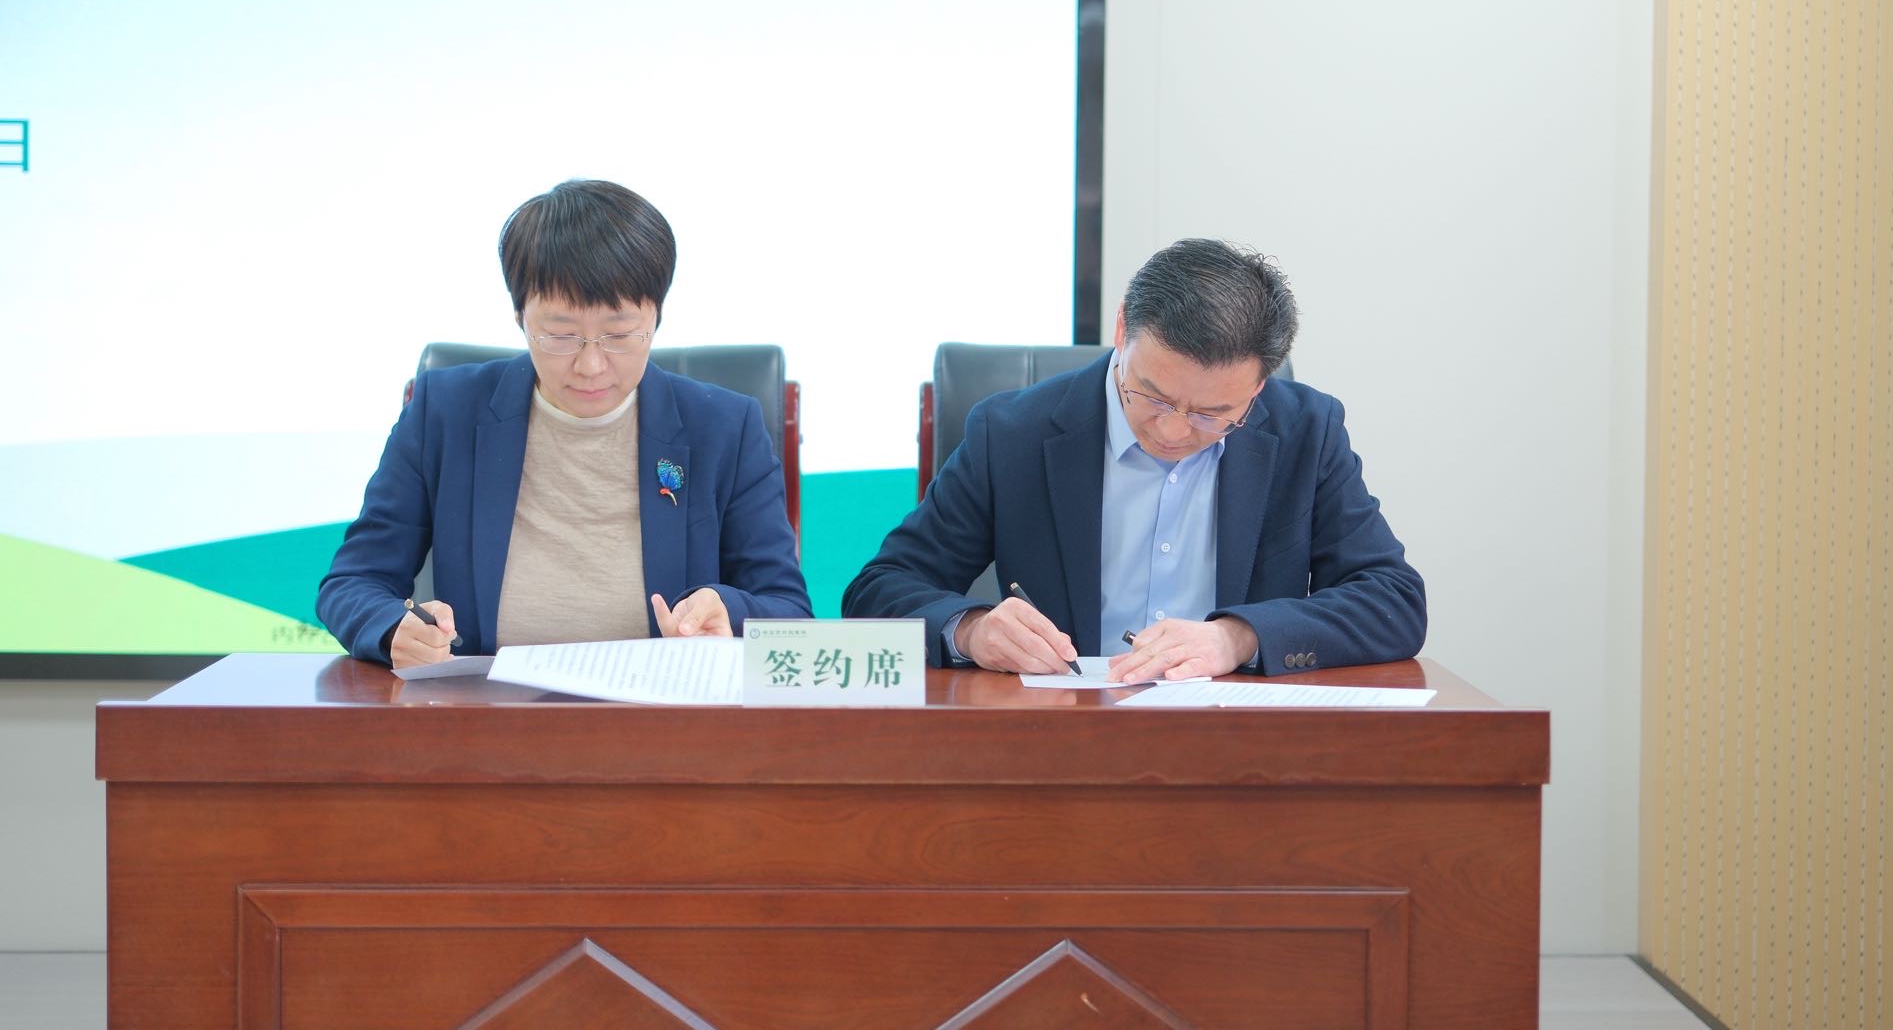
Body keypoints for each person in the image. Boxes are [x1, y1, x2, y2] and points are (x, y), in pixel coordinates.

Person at [842, 238, 1423, 680]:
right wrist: (970, 630)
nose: (1172, 430)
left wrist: (1239, 637)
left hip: (1238, 739)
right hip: (1062, 734)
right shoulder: (1012, 433)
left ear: (1258, 386)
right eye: (1152, 396)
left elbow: (1393, 600)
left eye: (1211, 413)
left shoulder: (1306, 431)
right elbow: (879, 590)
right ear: (1123, 329)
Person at [319, 180, 811, 668]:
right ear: (520, 317)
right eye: (560, 335)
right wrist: (392, 627)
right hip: (487, 705)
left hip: (660, 708)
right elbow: (354, 582)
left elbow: (787, 611)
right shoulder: (445, 412)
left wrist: (729, 612)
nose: (591, 366)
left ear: (656, 318)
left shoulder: (725, 428)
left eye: (620, 335)